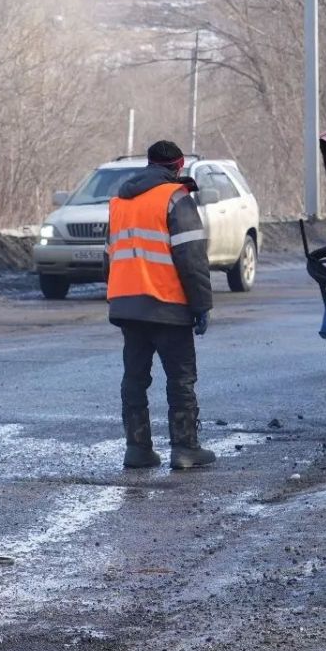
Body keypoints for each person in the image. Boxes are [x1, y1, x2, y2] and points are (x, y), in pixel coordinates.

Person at [107, 139, 216, 471]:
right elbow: (191, 259)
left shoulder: (119, 202)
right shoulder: (176, 199)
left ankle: (137, 450)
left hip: (128, 306)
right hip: (168, 305)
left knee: (135, 378)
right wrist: (201, 305)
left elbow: (108, 257)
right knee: (180, 378)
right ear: (177, 166)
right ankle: (185, 449)